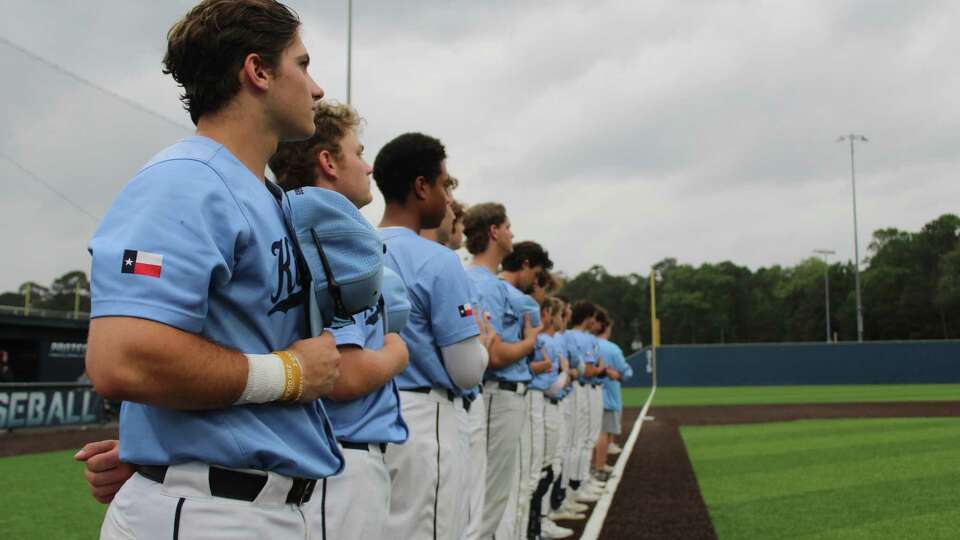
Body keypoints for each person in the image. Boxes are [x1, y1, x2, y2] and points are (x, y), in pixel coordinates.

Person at [82, 1, 343, 538]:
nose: (316, 88)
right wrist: (289, 374)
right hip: (208, 511)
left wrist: (154, 440)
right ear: (259, 71)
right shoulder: (184, 181)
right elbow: (122, 358)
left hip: (255, 501)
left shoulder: (264, 193)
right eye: (303, 64)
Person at [374, 132, 491, 540]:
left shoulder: (355, 244)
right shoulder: (439, 260)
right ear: (420, 187)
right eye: (442, 184)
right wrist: (485, 348)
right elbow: (465, 371)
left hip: (361, 414)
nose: (446, 196)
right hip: (425, 419)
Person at [463, 204, 545, 539]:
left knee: (490, 494)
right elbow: (493, 355)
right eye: (508, 226)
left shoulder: (487, 282)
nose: (512, 232)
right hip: (497, 393)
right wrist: (530, 342)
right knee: (490, 496)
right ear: (494, 232)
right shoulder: (486, 285)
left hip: (494, 396)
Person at [595, 316, 632, 479]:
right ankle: (599, 467)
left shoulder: (589, 344)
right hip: (607, 395)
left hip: (590, 395)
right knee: (602, 432)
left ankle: (594, 467)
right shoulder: (612, 348)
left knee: (591, 434)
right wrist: (621, 374)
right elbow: (625, 372)